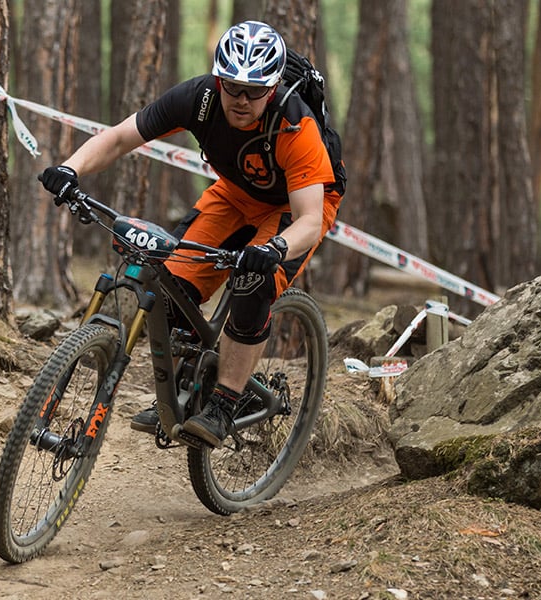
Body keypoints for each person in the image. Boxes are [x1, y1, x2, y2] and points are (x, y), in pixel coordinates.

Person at [39, 20, 343, 449]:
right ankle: (188, 391)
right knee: (169, 291)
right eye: (231, 85)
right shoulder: (198, 98)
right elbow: (121, 137)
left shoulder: (295, 126)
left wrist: (273, 249)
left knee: (251, 284)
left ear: (272, 88)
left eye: (254, 91)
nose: (241, 99)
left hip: (295, 208)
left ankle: (225, 401)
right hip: (235, 193)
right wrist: (70, 169)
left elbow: (308, 220)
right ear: (217, 77)